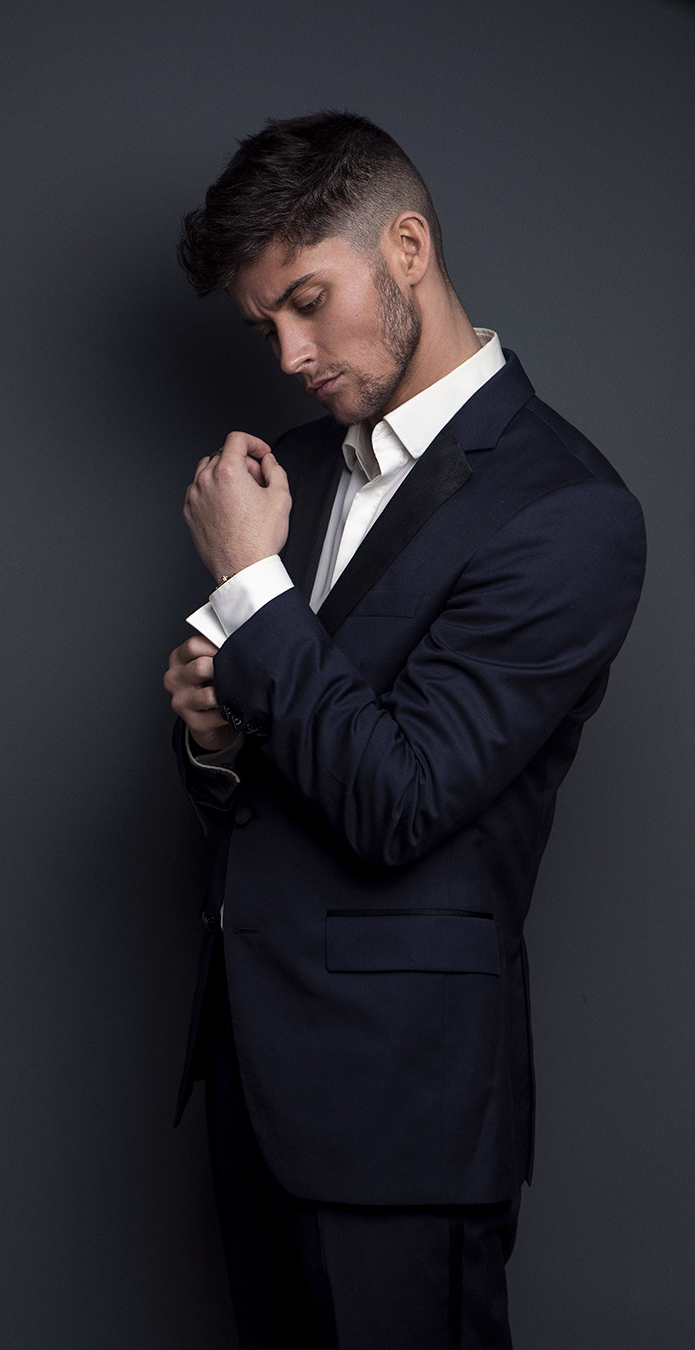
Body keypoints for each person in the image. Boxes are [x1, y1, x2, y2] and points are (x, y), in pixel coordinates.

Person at [162, 112, 645, 1350]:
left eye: (308, 302)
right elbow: (274, 764)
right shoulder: (296, 469)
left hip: (400, 1109)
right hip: (253, 1080)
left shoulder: (569, 512)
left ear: (409, 248)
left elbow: (402, 798)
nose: (289, 355)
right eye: (266, 325)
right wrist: (213, 740)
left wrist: (250, 587)